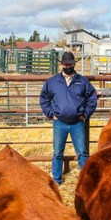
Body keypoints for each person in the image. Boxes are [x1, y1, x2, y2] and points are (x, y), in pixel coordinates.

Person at [40, 50, 97, 184]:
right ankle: (57, 180)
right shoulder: (52, 81)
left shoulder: (82, 81)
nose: (68, 66)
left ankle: (85, 180)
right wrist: (50, 113)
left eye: (70, 64)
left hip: (77, 122)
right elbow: (44, 98)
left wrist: (85, 113)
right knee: (58, 152)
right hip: (59, 122)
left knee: (82, 152)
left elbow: (92, 98)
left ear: (74, 64)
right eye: (65, 64)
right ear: (61, 65)